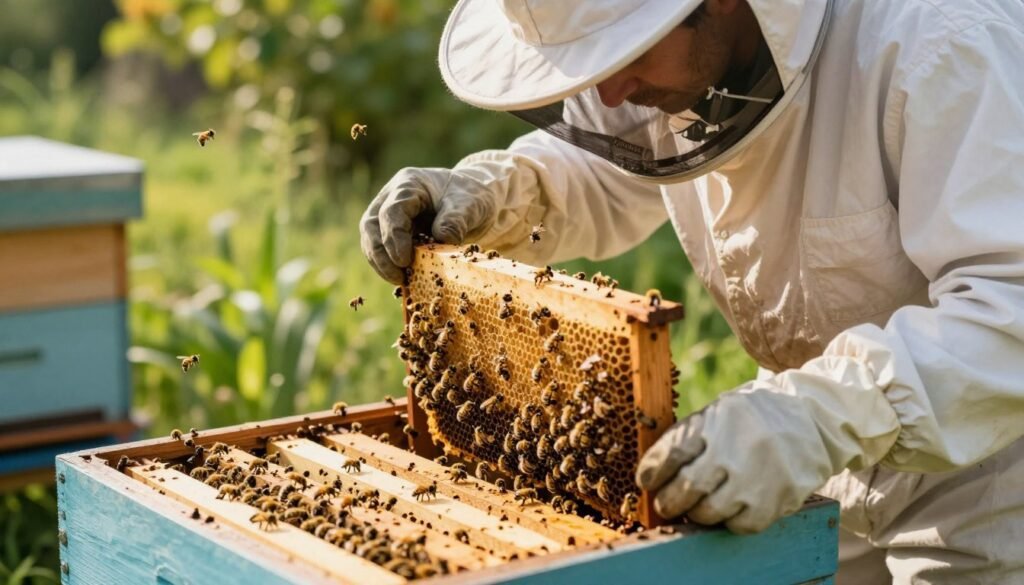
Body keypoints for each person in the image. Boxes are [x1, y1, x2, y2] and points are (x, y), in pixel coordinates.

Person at [360, 0, 1024, 582]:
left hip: (990, 473)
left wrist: (815, 417)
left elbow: (1008, 310)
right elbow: (608, 162)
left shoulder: (946, 42)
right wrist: (504, 190)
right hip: (820, 448)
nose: (611, 93)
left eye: (627, 52)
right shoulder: (678, 59)